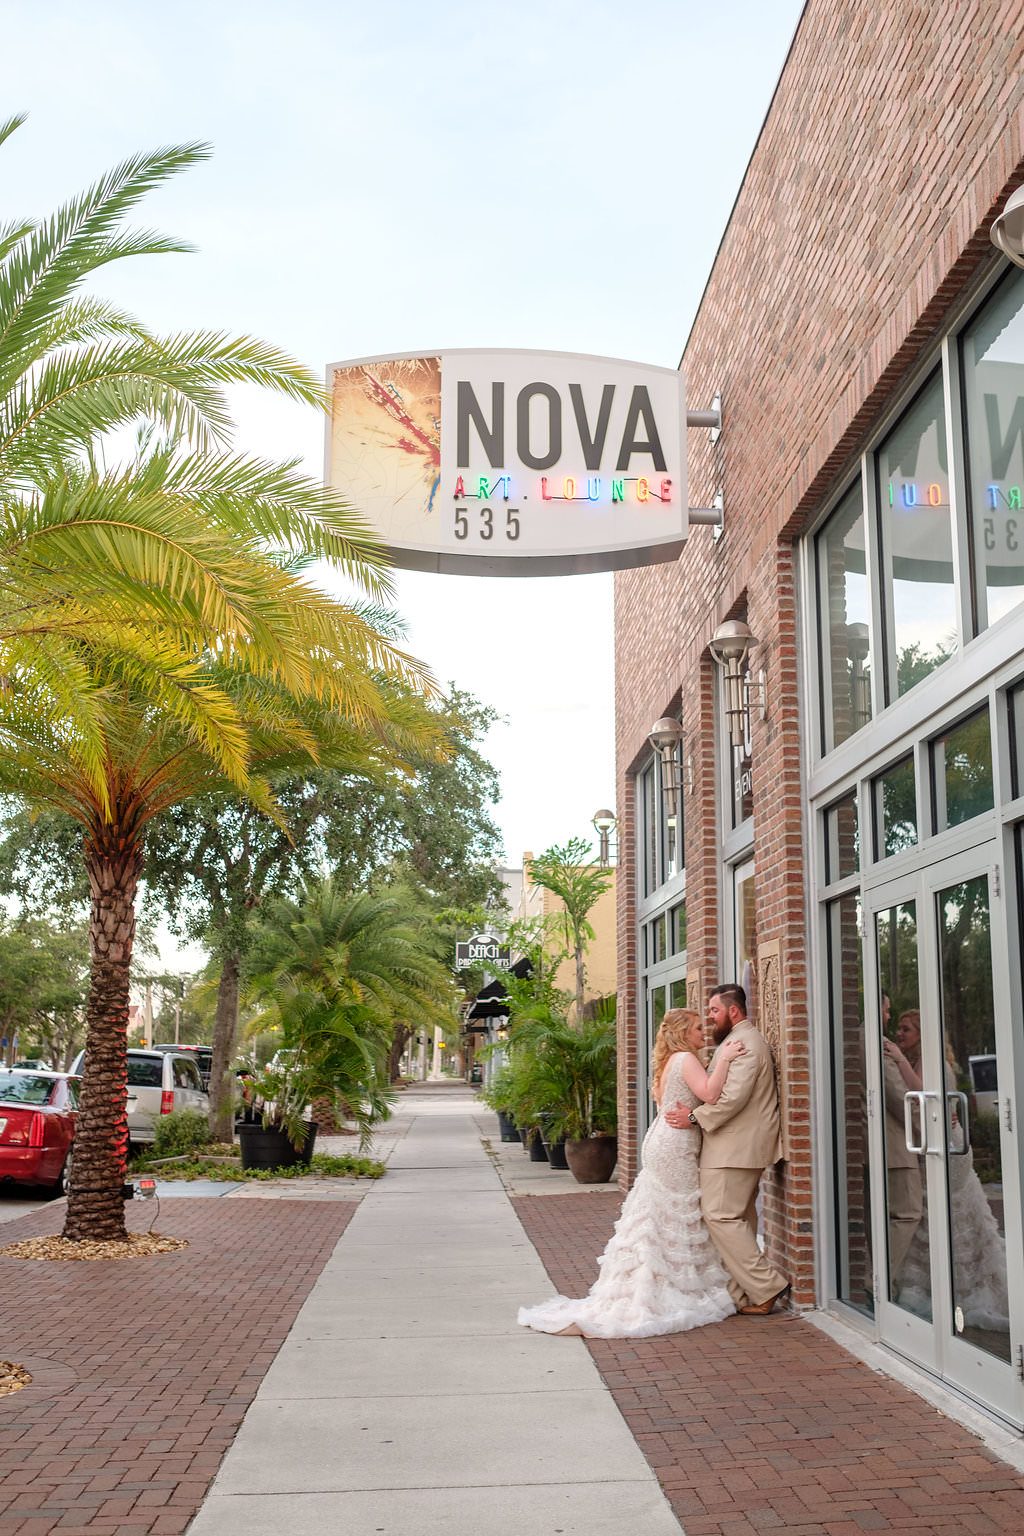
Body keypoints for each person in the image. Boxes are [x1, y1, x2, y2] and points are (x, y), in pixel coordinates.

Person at [517, 1008, 745, 1339]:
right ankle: (665, 1289)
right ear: (682, 1032)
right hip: (675, 1146)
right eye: (697, 1027)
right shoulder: (685, 1059)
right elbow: (710, 1094)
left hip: (661, 1141)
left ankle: (652, 1283)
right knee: (677, 1216)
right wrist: (725, 1057)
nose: (703, 1032)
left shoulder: (670, 1062)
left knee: (659, 1217)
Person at [665, 983, 789, 1315]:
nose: (711, 1019)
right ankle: (744, 1293)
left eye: (715, 1012)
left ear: (733, 1011)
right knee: (741, 1219)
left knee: (719, 1216)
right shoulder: (737, 1043)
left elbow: (732, 1098)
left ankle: (766, 1286)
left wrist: (693, 1117)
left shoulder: (745, 1044)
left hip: (735, 1148)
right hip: (734, 1147)